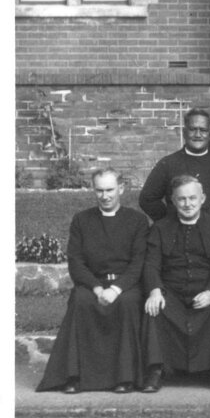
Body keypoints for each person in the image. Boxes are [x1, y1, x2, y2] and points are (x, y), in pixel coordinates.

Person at [37, 169, 149, 394]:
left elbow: (139, 262)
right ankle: (74, 376)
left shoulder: (137, 220)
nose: (105, 196)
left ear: (121, 189)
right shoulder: (82, 220)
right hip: (93, 284)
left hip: (125, 285)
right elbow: (76, 262)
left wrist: (116, 289)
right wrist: (97, 288)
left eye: (110, 190)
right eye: (99, 190)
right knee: (81, 300)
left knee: (127, 303)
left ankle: (125, 377)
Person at [140, 175, 210, 393]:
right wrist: (155, 291)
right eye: (181, 199)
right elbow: (151, 264)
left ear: (202, 199)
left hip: (205, 290)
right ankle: (156, 371)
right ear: (173, 201)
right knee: (154, 309)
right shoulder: (160, 228)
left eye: (192, 198)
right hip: (171, 291)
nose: (188, 204)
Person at [140, 108, 210, 223]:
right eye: (192, 129)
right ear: (184, 132)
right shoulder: (168, 163)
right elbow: (147, 199)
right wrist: (169, 221)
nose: (198, 135)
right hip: (180, 230)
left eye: (203, 130)